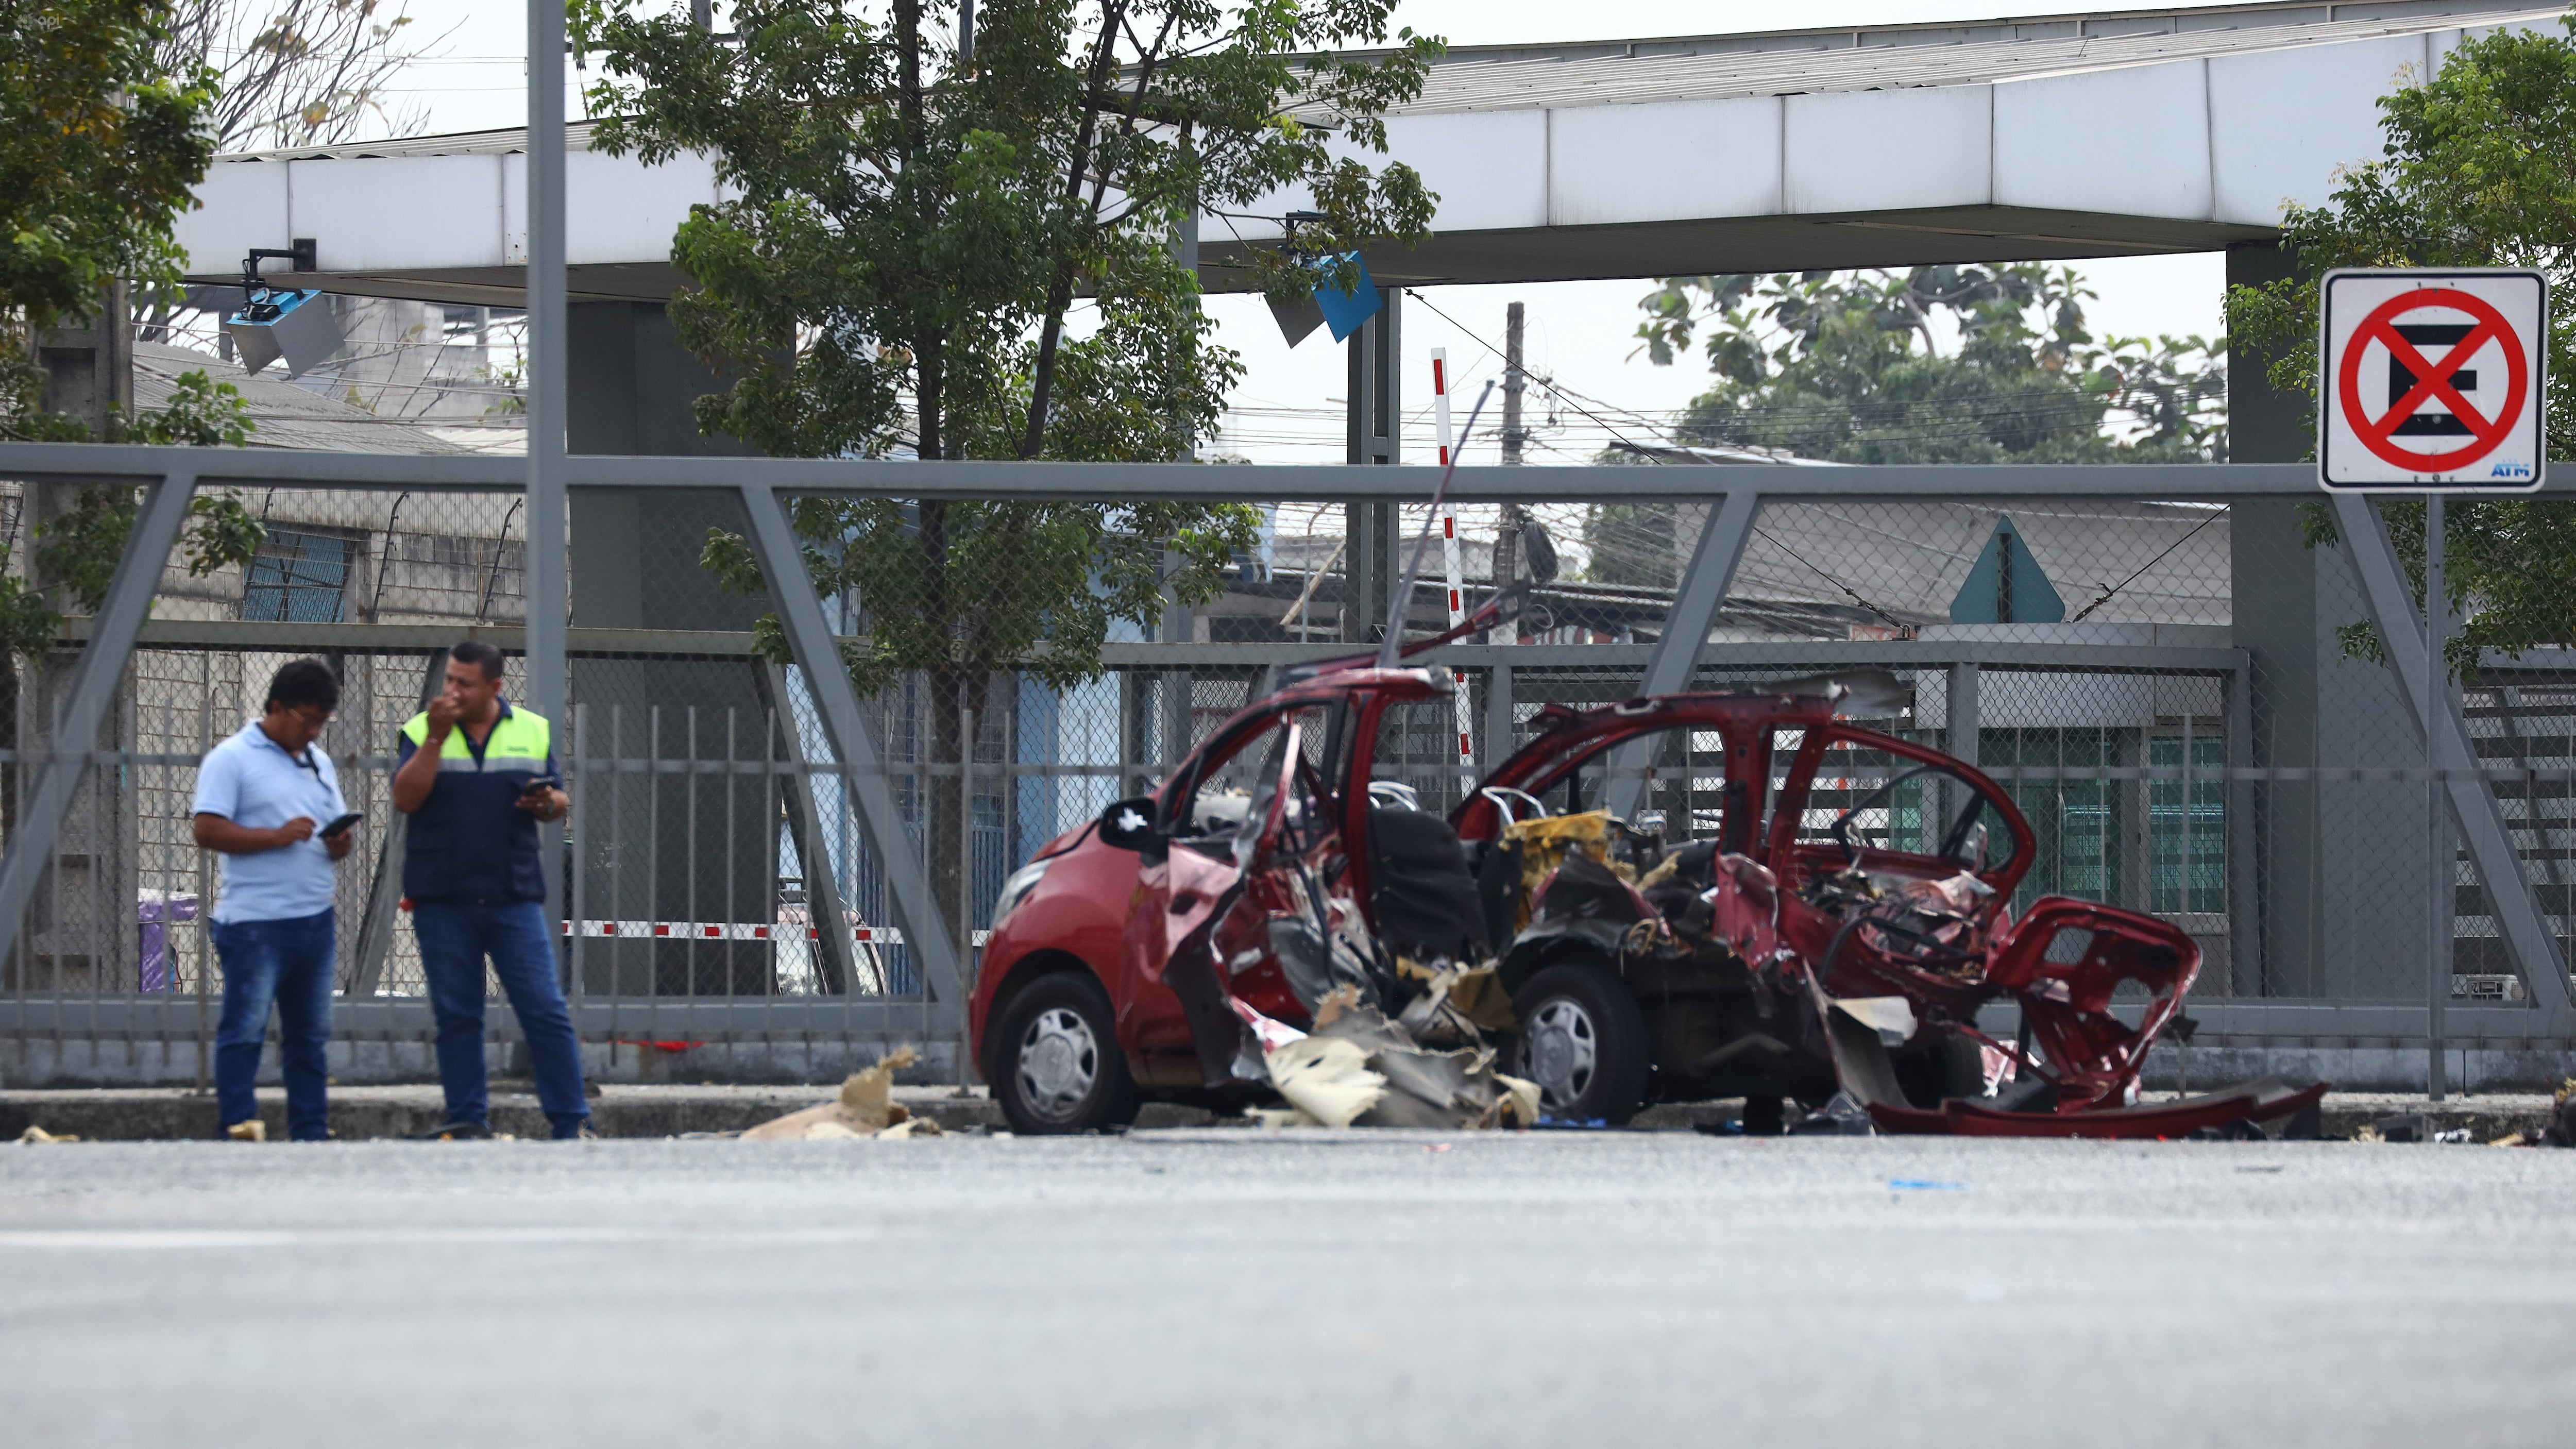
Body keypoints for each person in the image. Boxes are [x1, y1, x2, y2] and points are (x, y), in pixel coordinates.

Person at [393, 641, 590, 1140]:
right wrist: (436, 739)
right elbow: (405, 797)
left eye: (465, 683)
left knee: (543, 1008)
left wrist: (547, 803)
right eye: (449, 680)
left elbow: (558, 799)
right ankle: (466, 1118)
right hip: (442, 898)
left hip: (512, 896)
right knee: (458, 1013)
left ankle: (571, 1122)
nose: (453, 691)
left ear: (495, 687)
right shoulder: (421, 729)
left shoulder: (530, 729)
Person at [191, 658, 355, 1142]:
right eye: (307, 720)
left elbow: (333, 825)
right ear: (277, 708)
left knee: (309, 1037)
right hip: (255, 924)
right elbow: (206, 828)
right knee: (244, 1031)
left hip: (315, 921)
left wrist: (337, 844)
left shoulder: (317, 762)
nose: (314, 732)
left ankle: (310, 1128)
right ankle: (237, 1125)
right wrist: (275, 837)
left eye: (322, 722)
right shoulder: (232, 758)